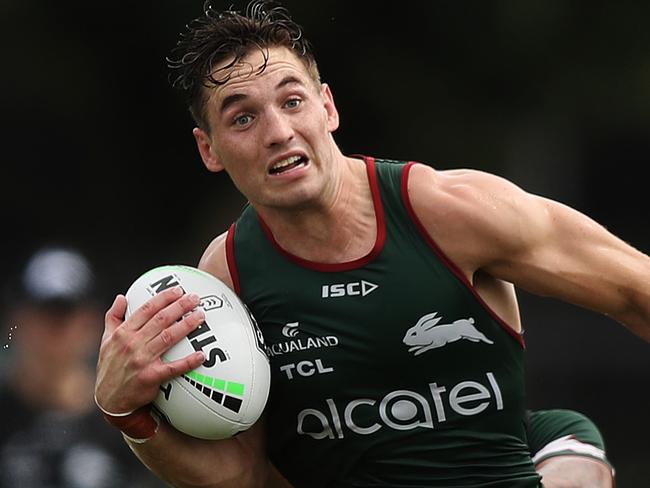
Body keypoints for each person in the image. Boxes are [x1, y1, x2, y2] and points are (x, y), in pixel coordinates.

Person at [94, 1, 647, 486]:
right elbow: (244, 474)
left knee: (576, 465)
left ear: (327, 107)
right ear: (209, 149)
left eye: (292, 101)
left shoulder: (450, 212)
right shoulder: (226, 277)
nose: (279, 131)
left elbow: (635, 290)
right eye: (243, 118)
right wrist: (129, 415)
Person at [0, 246, 167, 488]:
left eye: (64, 316)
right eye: (42, 315)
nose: (53, 332)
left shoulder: (124, 422)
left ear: (90, 324)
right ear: (18, 321)